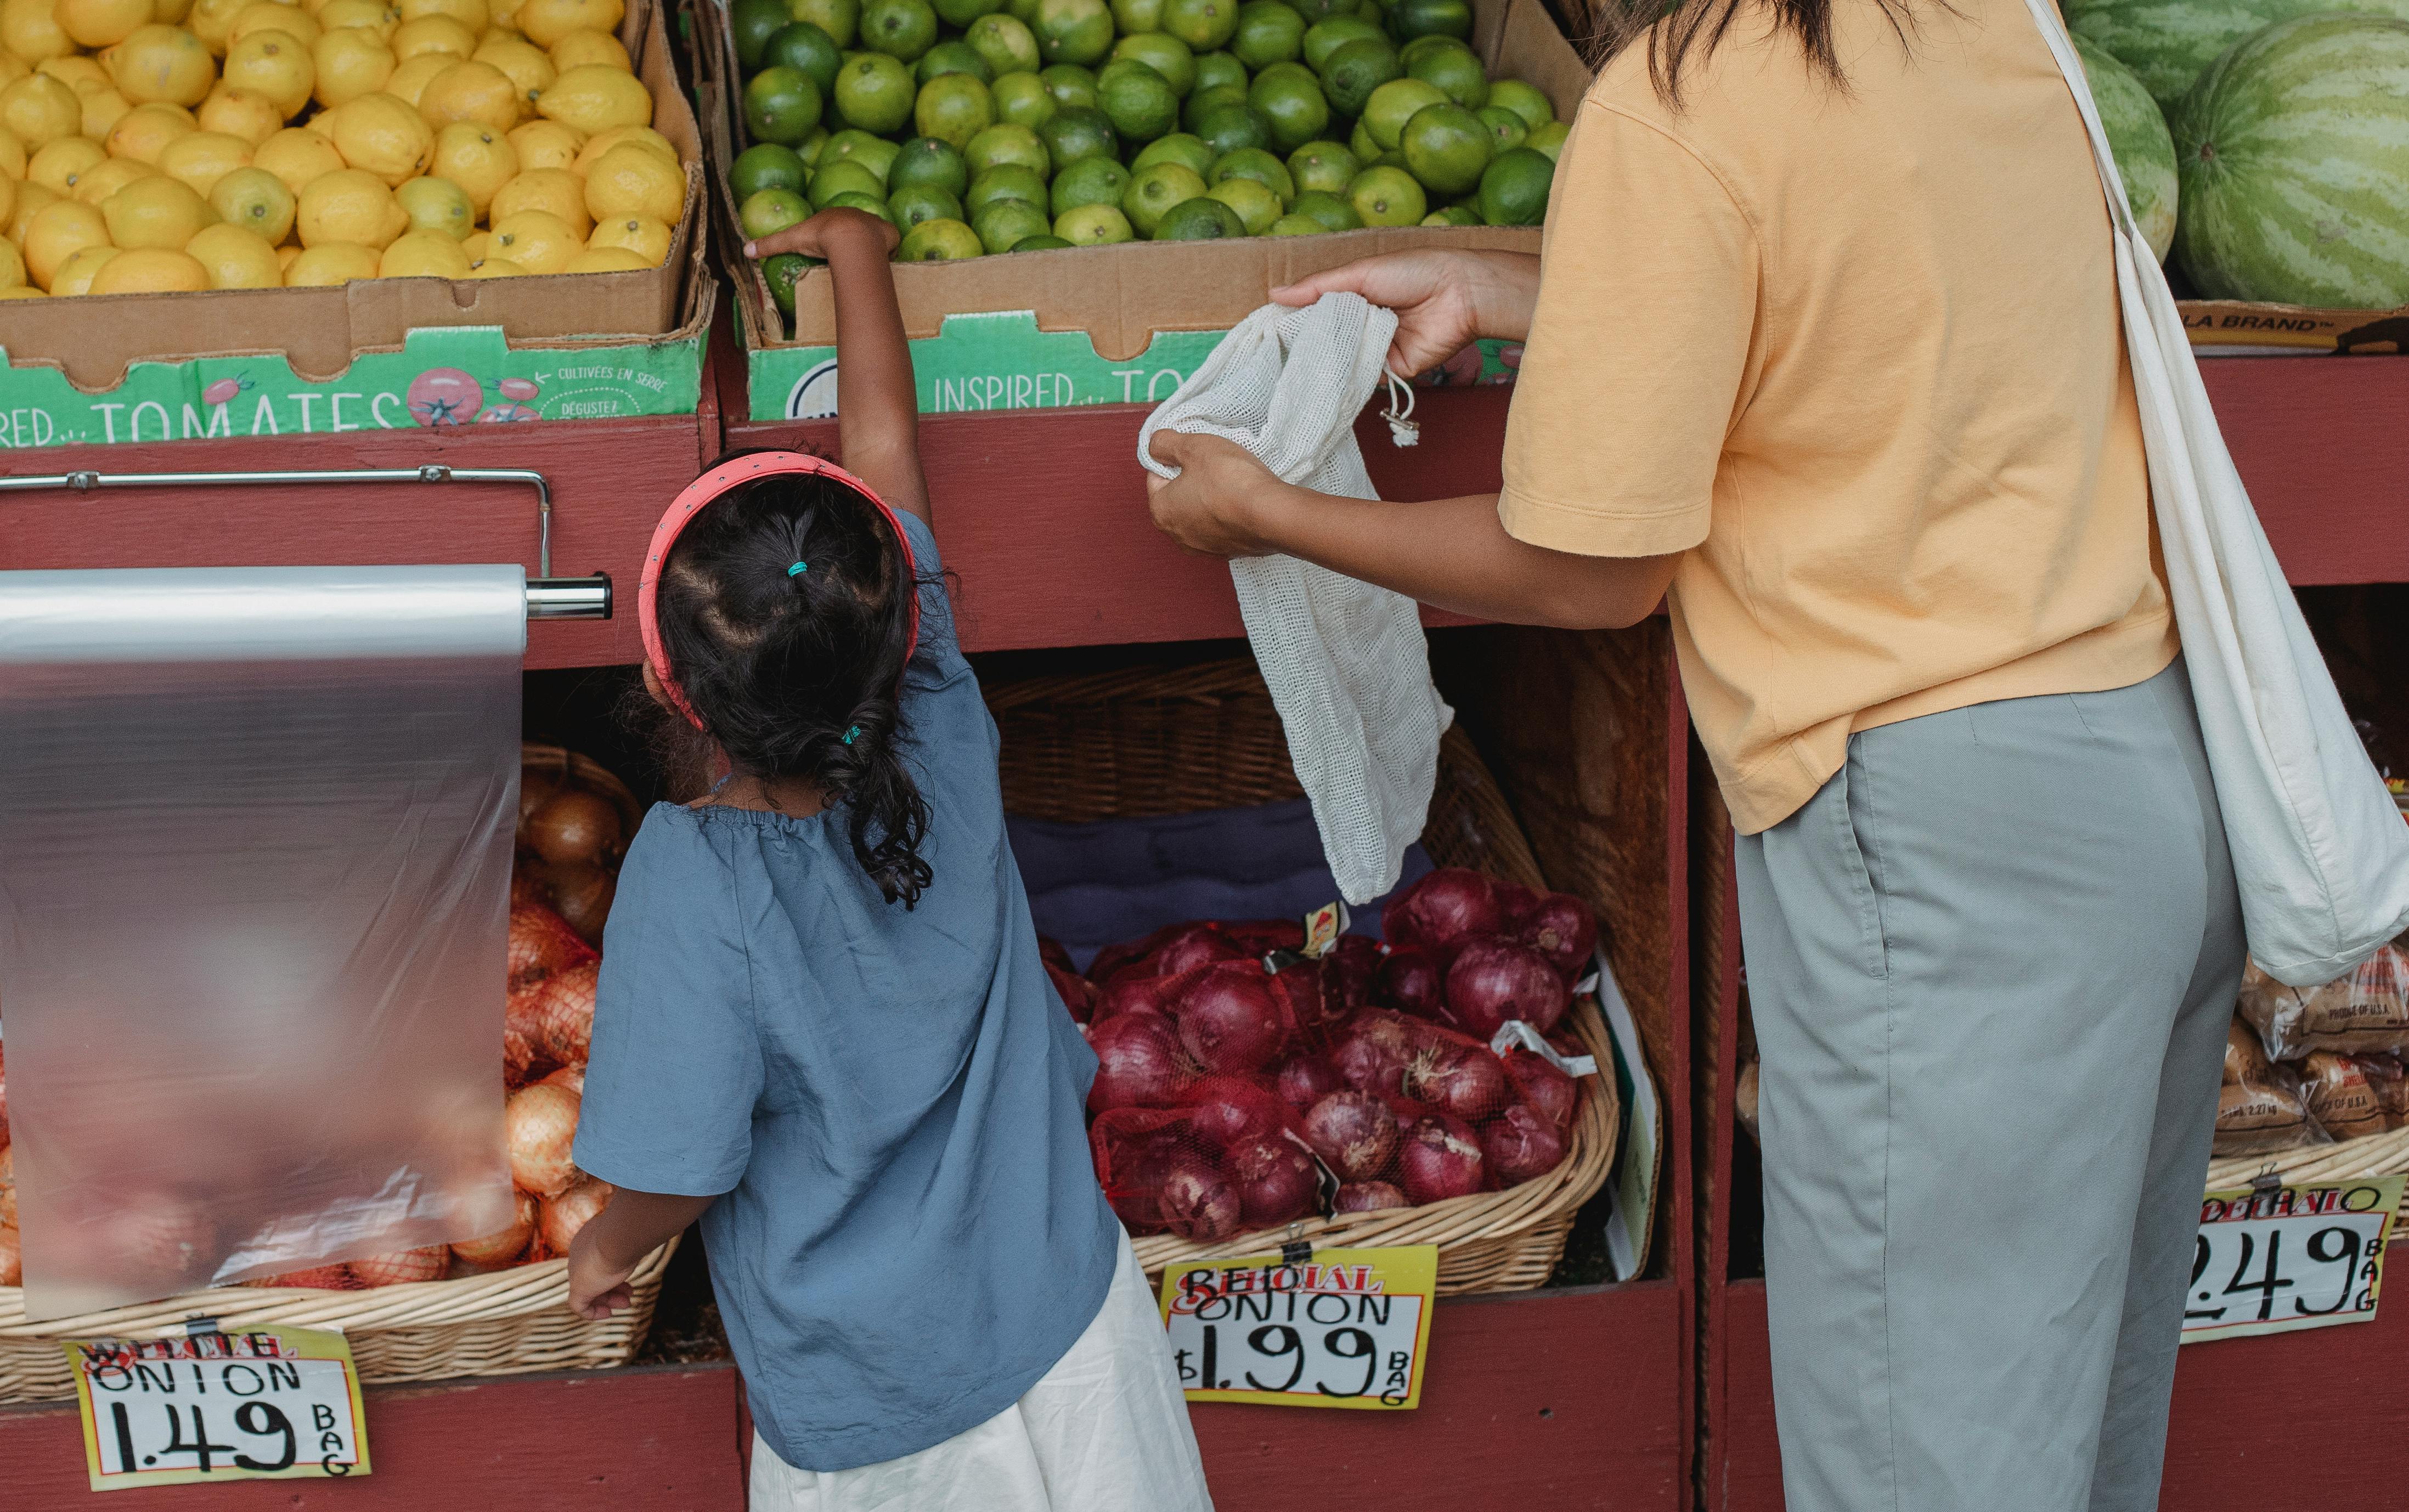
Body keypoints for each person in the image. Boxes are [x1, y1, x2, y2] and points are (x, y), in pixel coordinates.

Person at [1143, 0, 2241, 1504]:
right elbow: (1830, 287)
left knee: (1928, 1469)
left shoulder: (1677, 102)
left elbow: (1597, 566)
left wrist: (1266, 513)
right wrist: (1496, 275)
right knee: (2072, 1437)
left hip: (1944, 844)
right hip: (2145, 791)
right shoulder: (1983, 21)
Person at [566, 207, 1214, 1512]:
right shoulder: (942, 715)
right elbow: (884, 454)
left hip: (881, 1407)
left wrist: (602, 1247)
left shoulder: (692, 877)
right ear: (901, 623)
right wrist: (858, 255)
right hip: (1071, 1323)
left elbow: (679, 1168)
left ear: (666, 687)